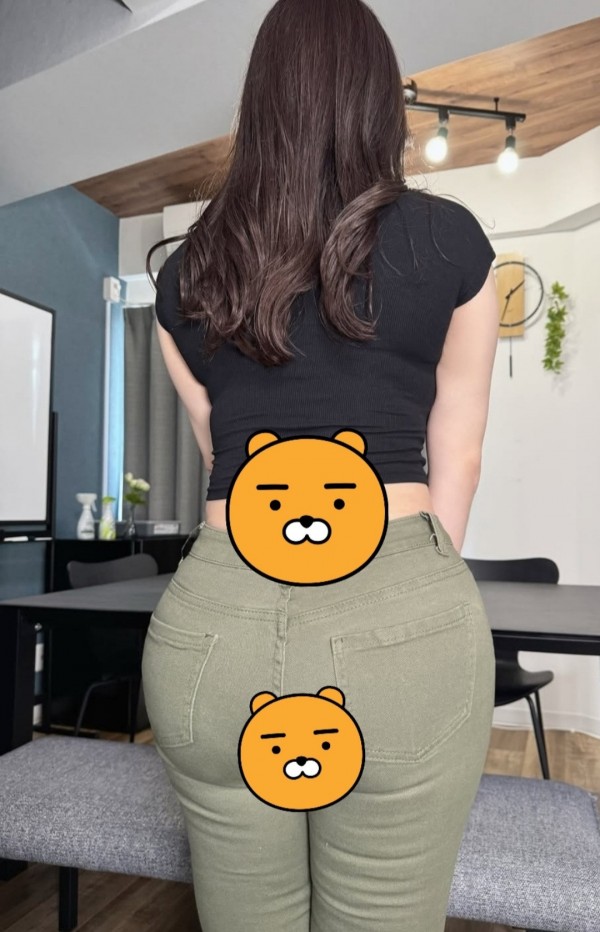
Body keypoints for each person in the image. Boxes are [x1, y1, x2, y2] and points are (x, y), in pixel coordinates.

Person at [141, 0, 499, 929]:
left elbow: (221, 457)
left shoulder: (184, 272)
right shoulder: (452, 243)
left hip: (211, 627)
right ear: (379, 102)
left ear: (260, 101)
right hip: (401, 617)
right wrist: (409, 597)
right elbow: (458, 449)